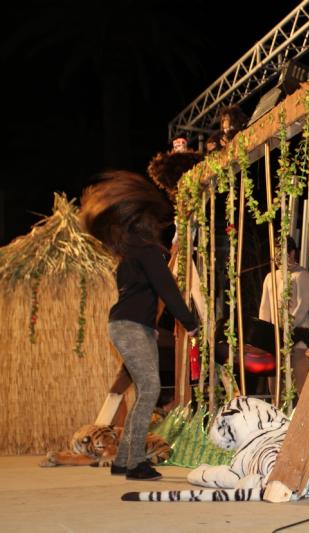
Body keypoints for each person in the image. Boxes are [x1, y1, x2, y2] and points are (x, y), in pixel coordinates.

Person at [81, 171, 198, 481]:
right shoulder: (146, 251)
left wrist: (152, 326)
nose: (158, 227)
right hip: (131, 328)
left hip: (126, 327)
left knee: (145, 389)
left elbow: (144, 294)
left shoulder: (130, 255)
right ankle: (134, 463)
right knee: (150, 390)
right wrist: (191, 323)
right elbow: (167, 289)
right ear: (144, 221)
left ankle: (123, 459)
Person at [259, 236, 309, 397]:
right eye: (275, 256)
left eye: (281, 255)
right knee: (276, 388)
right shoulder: (270, 277)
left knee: (300, 385)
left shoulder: (301, 275)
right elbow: (265, 308)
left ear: (292, 253)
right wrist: (262, 334)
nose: (277, 260)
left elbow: (302, 307)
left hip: (297, 335)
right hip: (275, 338)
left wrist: (286, 329)